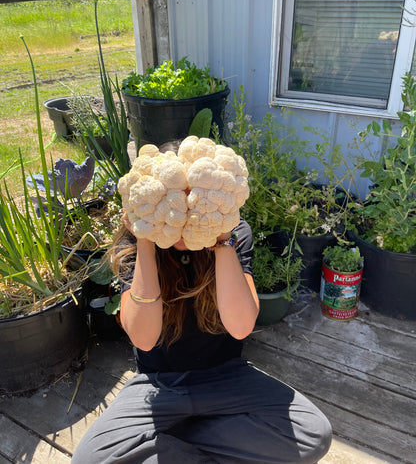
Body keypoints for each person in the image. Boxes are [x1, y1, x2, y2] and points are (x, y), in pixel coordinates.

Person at [72, 141, 332, 464]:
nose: (186, 210)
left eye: (193, 201)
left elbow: (240, 326)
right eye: (177, 201)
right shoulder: (135, 241)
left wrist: (221, 240)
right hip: (159, 386)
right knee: (89, 458)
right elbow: (143, 336)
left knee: (314, 433)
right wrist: (145, 238)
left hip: (226, 378)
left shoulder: (234, 232)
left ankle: (175, 442)